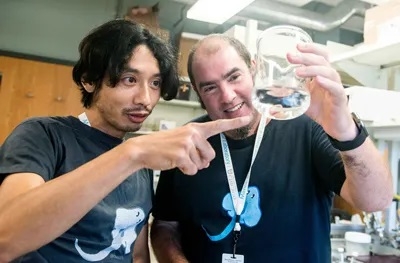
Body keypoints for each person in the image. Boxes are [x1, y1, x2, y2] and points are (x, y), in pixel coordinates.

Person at [0, 21, 251, 262]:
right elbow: (5, 239)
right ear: (88, 79)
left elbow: (136, 255)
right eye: (129, 79)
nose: (145, 99)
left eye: (155, 83)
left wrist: (135, 156)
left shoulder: (140, 164)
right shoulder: (43, 135)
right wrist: (132, 153)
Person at [150, 34, 393, 262]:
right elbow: (165, 225)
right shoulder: (186, 142)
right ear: (198, 93)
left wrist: (346, 131)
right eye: (210, 87)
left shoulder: (306, 129)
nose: (227, 96)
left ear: (254, 70)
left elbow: (376, 200)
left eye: (234, 77)